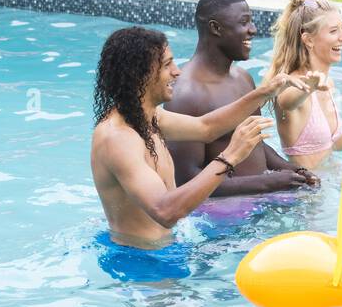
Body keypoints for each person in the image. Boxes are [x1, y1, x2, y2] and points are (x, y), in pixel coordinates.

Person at [90, 26, 306, 276]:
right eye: (167, 65)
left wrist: (265, 92)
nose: (177, 71)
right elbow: (165, 211)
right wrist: (230, 157)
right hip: (139, 262)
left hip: (164, 249)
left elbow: (207, 127)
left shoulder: (148, 118)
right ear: (140, 74)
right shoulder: (118, 138)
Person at [165, 0, 318, 196]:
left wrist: (294, 171)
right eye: (244, 22)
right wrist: (269, 183)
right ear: (215, 28)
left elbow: (255, 144)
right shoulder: (186, 94)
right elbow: (187, 181)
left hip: (258, 200)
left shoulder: (242, 78)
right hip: (222, 218)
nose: (253, 30)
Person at [266, 0, 342, 169]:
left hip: (330, 179)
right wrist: (309, 87)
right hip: (306, 193)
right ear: (308, 40)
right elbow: (285, 102)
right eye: (333, 31)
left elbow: (333, 146)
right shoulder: (293, 84)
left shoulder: (328, 84)